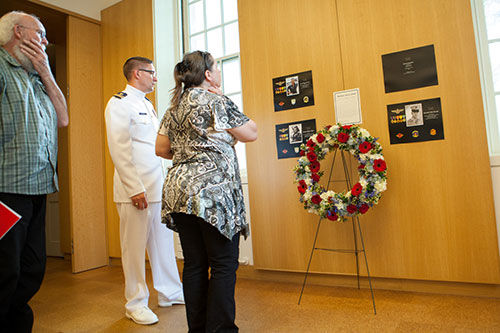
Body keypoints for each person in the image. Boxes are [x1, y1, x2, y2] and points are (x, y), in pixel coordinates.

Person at [155, 50, 257, 332]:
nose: (219, 72)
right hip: (212, 194)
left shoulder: (172, 107)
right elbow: (251, 132)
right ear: (208, 75)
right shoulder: (217, 101)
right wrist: (222, 98)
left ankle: (197, 328)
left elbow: (161, 149)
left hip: (179, 191)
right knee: (224, 264)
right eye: (217, 67)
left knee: (195, 264)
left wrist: (192, 151)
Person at [0, 11, 68, 332]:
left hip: (38, 187)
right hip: (6, 192)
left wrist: (46, 72)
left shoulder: (37, 76)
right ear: (18, 32)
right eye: (40, 34)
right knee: (4, 270)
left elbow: (63, 119)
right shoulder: (1, 66)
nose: (45, 40)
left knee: (32, 268)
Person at [104, 56, 184, 326]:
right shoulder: (119, 104)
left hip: (155, 188)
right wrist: (134, 188)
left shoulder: (147, 104)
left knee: (162, 244)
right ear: (138, 73)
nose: (156, 78)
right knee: (134, 249)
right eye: (152, 73)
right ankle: (135, 303)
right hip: (134, 191)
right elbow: (120, 149)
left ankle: (170, 292)